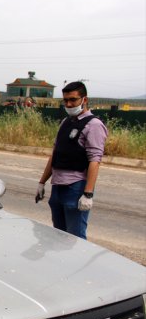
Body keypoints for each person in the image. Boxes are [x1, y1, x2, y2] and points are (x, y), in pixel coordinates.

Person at [35, 81, 108, 240]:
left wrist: (87, 194)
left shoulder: (93, 125)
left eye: (73, 100)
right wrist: (42, 182)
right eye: (65, 100)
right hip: (58, 185)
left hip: (75, 187)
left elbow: (95, 160)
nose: (69, 104)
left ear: (84, 100)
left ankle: (78, 265)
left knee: (75, 238)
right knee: (59, 235)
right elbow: (55, 155)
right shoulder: (65, 122)